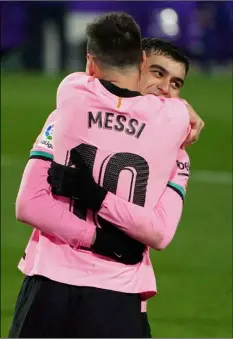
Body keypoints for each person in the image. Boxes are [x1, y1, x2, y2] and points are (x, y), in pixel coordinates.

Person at [9, 13, 202, 338]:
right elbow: (29, 204)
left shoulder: (68, 108)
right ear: (136, 66)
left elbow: (161, 233)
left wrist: (95, 196)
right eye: (157, 72)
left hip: (85, 285)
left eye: (176, 83)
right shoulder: (69, 116)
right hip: (85, 285)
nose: (166, 90)